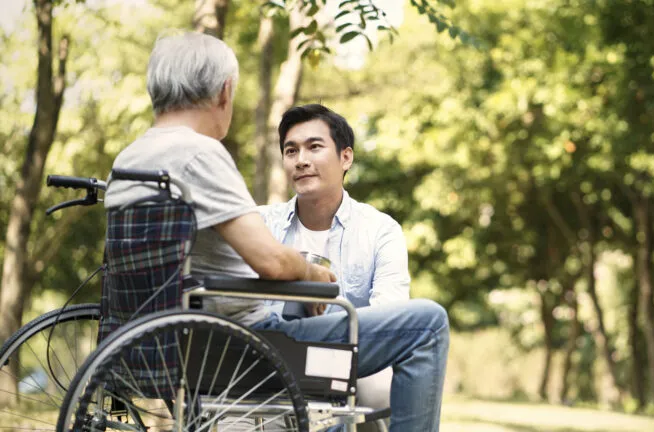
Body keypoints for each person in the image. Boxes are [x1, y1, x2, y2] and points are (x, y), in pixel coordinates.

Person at [103, 32, 449, 432]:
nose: (301, 160)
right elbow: (270, 261)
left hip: (168, 342)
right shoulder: (199, 153)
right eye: (291, 150)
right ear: (224, 91)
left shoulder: (130, 159)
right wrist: (316, 274)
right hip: (250, 348)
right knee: (429, 323)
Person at [259, 104, 409, 420]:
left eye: (314, 147)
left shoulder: (380, 230)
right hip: (271, 356)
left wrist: (330, 310)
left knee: (386, 386)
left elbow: (389, 315)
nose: (301, 160)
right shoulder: (259, 225)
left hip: (352, 358)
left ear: (346, 157)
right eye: (291, 151)